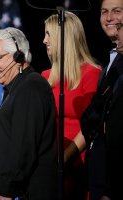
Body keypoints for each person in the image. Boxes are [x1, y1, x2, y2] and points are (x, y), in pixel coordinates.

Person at [0, 27, 57, 200]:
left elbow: (23, 148)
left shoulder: (31, 88)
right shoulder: (16, 88)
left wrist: (5, 191)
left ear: (18, 56)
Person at [41, 12, 102, 200]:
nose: (44, 41)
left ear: (64, 38)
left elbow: (91, 127)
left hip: (78, 164)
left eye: (48, 34)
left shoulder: (91, 74)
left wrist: (64, 159)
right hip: (49, 164)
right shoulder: (45, 76)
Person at [80, 0, 123, 199]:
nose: (109, 18)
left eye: (117, 11)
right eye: (104, 12)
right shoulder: (110, 62)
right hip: (100, 169)